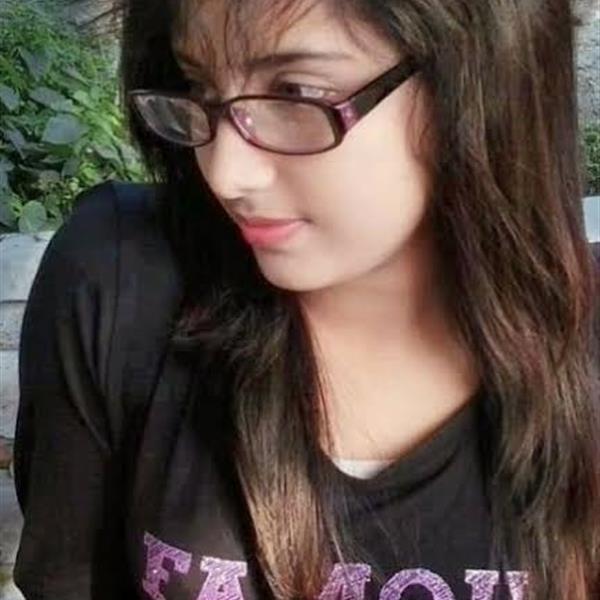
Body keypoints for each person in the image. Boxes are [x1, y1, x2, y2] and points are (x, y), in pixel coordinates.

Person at [12, 0, 599, 598]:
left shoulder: (583, 365)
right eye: (198, 86)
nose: (225, 175)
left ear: (483, 82)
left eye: (295, 93)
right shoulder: (120, 282)